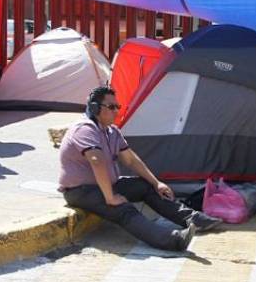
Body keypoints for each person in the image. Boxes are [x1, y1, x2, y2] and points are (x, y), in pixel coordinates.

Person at [58, 86, 222, 251]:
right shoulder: (84, 129)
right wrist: (110, 197)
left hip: (106, 185)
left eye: (118, 107)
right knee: (123, 209)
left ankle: (194, 219)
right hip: (82, 191)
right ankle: (172, 240)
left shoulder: (111, 131)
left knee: (146, 186)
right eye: (111, 107)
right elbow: (96, 161)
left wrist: (156, 183)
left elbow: (131, 160)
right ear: (95, 108)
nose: (116, 111)